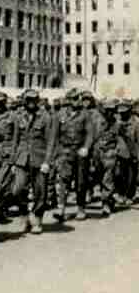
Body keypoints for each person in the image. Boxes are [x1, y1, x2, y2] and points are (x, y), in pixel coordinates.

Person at [9, 89, 58, 235]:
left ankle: (36, 217)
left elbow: (51, 141)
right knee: (17, 189)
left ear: (37, 100)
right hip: (22, 158)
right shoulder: (19, 116)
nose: (31, 102)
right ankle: (24, 215)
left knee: (40, 191)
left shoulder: (46, 117)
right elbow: (15, 140)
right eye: (28, 99)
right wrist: (12, 161)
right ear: (24, 100)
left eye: (33, 100)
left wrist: (47, 162)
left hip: (39, 158)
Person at [53, 89, 94, 222]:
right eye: (74, 98)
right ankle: (61, 209)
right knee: (63, 180)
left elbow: (90, 134)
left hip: (80, 152)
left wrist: (86, 148)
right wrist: (57, 153)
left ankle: (81, 208)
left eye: (78, 98)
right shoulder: (60, 115)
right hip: (65, 152)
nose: (77, 101)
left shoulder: (85, 114)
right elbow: (55, 136)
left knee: (81, 181)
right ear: (68, 100)